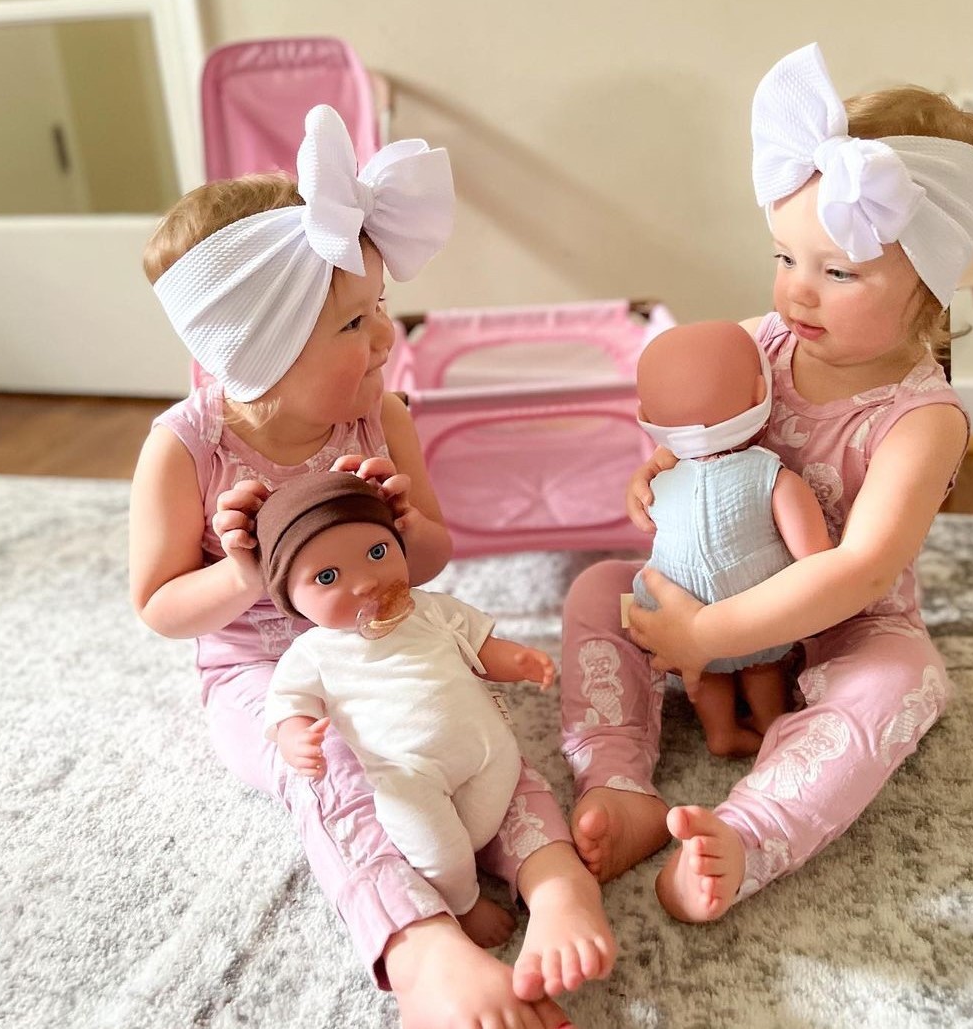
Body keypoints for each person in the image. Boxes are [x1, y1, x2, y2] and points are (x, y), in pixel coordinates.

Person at [130, 104, 613, 1029]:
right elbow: (157, 603)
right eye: (355, 322)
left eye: (379, 308)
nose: (387, 339)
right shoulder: (186, 448)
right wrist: (241, 572)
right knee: (342, 775)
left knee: (472, 725)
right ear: (258, 351)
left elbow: (431, 554)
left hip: (385, 633)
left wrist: (401, 519)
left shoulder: (378, 417)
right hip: (266, 673)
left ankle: (552, 878)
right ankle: (419, 947)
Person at [558, 42, 973, 925]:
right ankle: (617, 777)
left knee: (904, 677)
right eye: (785, 256)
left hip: (842, 625)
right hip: (713, 579)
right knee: (601, 589)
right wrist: (662, 467)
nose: (799, 291)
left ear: (930, 288)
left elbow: (862, 569)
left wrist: (708, 631)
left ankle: (750, 834)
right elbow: (696, 427)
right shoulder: (764, 341)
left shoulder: (922, 418)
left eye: (838, 271)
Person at [256, 470, 558, 950]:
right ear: (291, 600)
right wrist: (295, 737)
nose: (365, 583)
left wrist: (517, 660)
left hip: (485, 748)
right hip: (407, 775)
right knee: (439, 850)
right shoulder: (314, 652)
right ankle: (464, 902)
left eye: (377, 553)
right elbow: (288, 704)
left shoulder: (429, 608)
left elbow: (481, 646)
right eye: (328, 577)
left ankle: (472, 850)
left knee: (481, 823)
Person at [631, 320, 832, 758]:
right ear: (762, 395)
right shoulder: (771, 475)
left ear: (647, 418)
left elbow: (654, 529)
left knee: (709, 669)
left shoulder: (660, 483)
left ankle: (720, 733)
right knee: (762, 662)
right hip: (750, 604)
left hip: (677, 604)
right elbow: (818, 558)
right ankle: (769, 723)